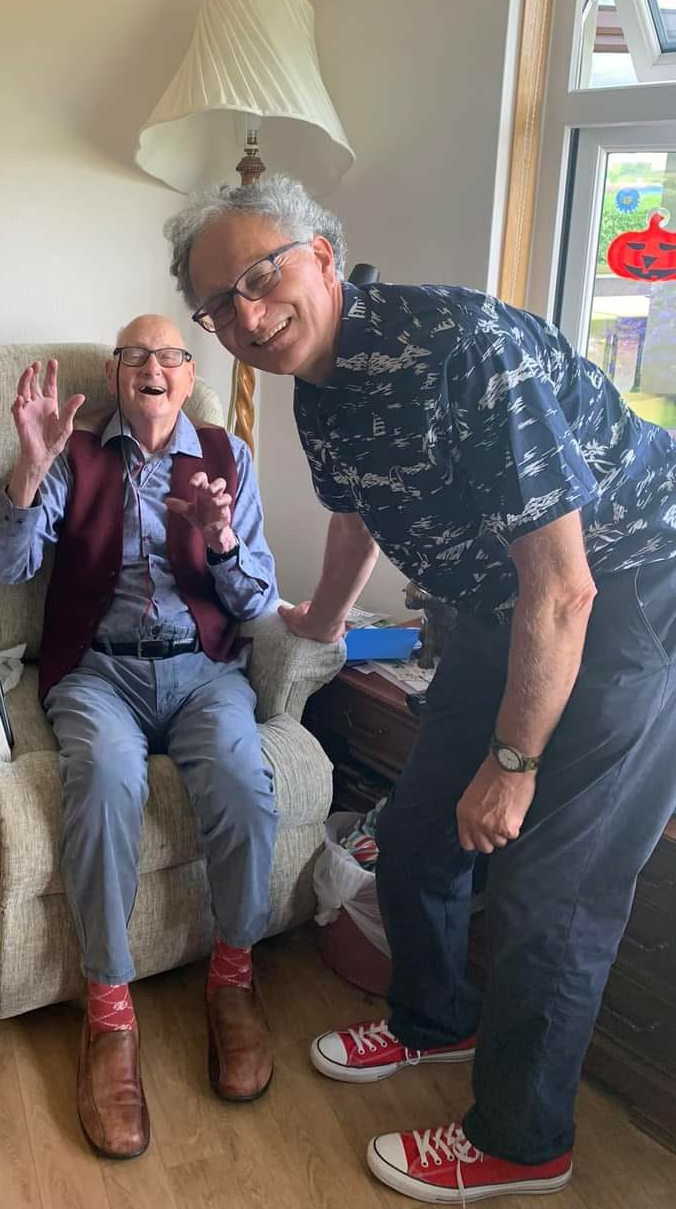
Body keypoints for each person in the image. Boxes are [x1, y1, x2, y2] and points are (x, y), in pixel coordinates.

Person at [165, 174, 676, 1203]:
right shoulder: (319, 384)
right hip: (504, 607)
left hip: (628, 595)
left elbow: (566, 587)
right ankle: (438, 1021)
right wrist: (319, 616)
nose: (247, 317)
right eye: (218, 305)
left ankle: (525, 1143)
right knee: (414, 834)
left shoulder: (463, 350)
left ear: (321, 255)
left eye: (261, 278)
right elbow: (358, 513)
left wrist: (514, 765)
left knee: (551, 895)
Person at [0, 316, 279, 1159]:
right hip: (98, 672)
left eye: (169, 357)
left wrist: (220, 537)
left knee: (243, 782)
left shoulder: (226, 458)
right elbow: (5, 570)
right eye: (135, 356)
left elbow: (257, 601)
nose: (152, 367)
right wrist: (29, 473)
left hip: (203, 671)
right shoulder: (75, 454)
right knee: (106, 780)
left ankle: (233, 976)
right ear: (115, 377)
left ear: (189, 379)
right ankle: (109, 1011)